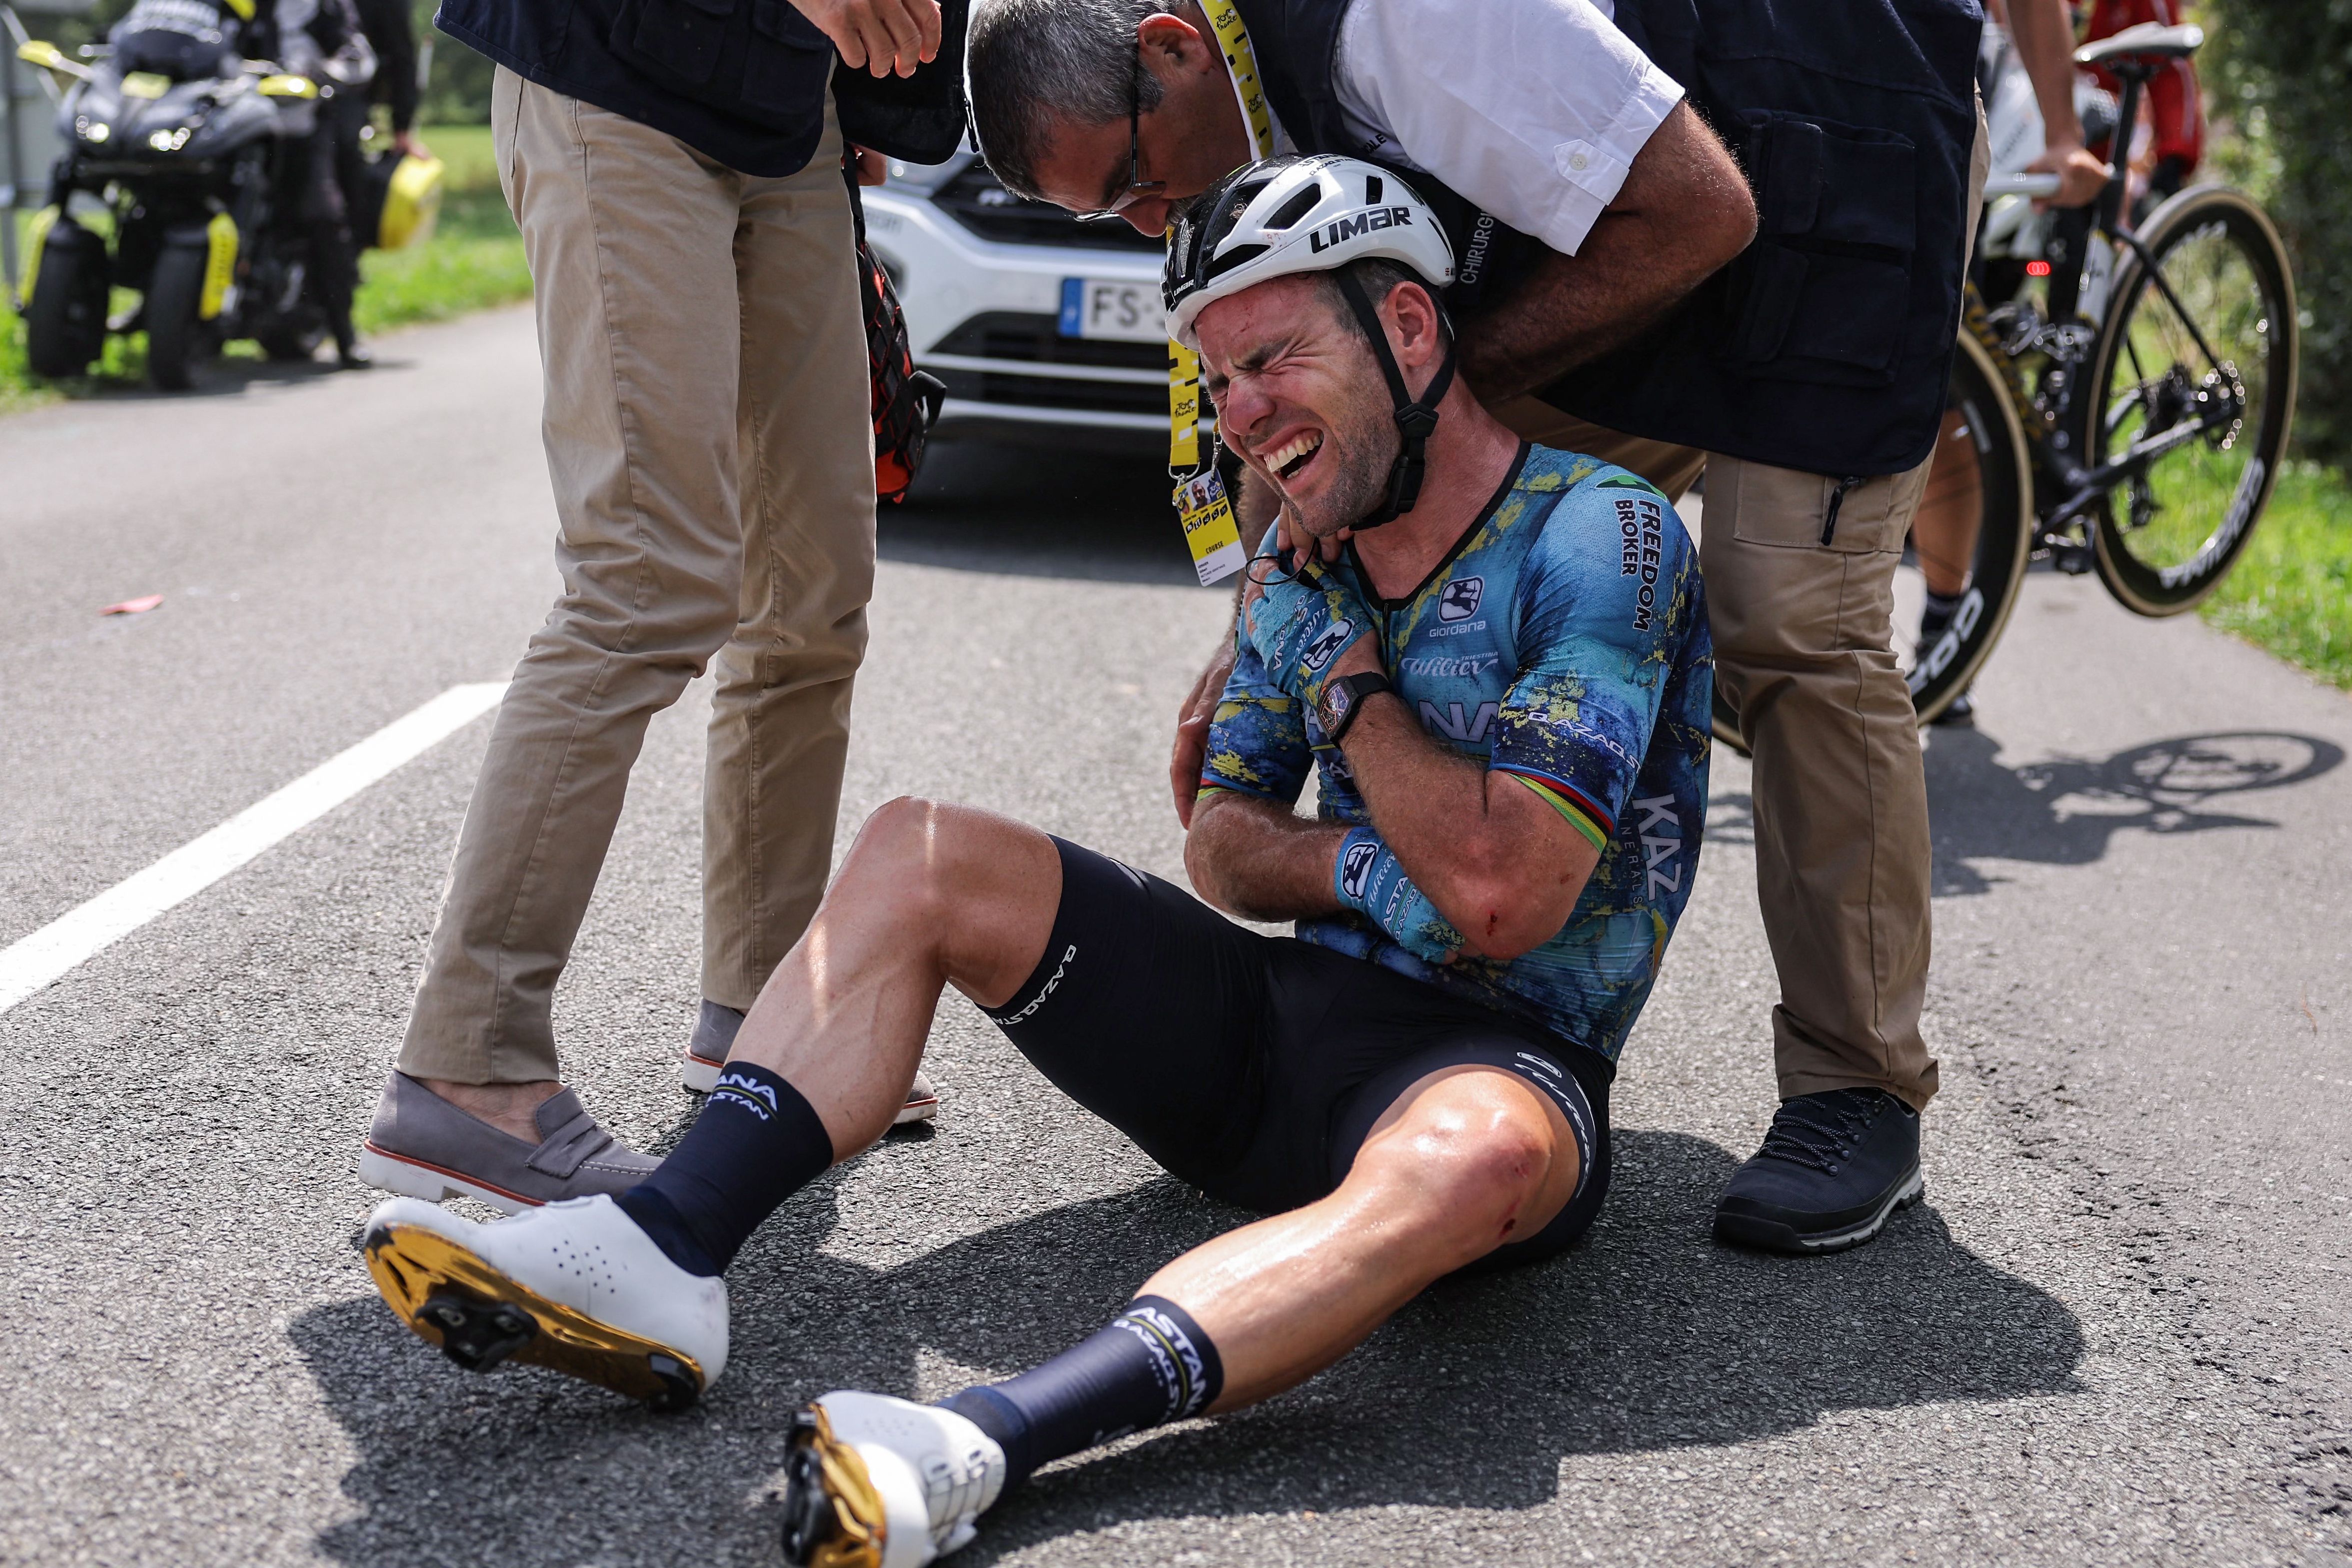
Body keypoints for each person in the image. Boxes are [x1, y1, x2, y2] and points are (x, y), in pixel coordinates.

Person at [356, 159, 1713, 1566]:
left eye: (1276, 358)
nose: (1245, 417)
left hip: (1496, 1066)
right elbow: (1227, 845)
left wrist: (1354, 687)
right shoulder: (1300, 562)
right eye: (1219, 378)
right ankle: (663, 1251)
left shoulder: (1601, 536)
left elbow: (1506, 899)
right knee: (923, 848)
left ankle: (971, 1447)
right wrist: (1377, 870)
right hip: (1274, 1037)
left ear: (1411, 333)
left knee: (1476, 1150)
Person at [967, 0, 1986, 1254]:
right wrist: (1268, 625)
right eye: (1105, 216)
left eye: (1132, 179)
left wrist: (1409, 398)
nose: (1148, 223)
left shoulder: (1406, 19)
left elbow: (1701, 210)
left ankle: (1858, 1090)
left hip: (1829, 168)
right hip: (1647, 225)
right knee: (1390, 486)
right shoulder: (1229, 104)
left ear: (1175, 47)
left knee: (1789, 621)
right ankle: (1431, 934)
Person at [355, 0, 957, 1212]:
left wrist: (863, 99)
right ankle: (466, 1069)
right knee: (649, 581)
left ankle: (764, 1018)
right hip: (620, 70)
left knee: (814, 600)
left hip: (798, 112)